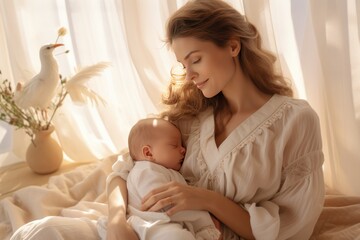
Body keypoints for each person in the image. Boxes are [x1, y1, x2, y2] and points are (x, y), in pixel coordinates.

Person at [10, 0, 325, 239]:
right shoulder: (192, 114)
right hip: (140, 226)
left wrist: (205, 199)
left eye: (196, 59)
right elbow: (125, 168)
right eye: (183, 63)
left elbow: (289, 227)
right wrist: (119, 220)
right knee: (40, 231)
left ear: (232, 45)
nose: (189, 75)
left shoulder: (294, 122)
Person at [97, 118, 220, 240]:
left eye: (182, 145)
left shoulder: (165, 171)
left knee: (179, 234)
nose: (183, 150)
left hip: (159, 225)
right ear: (148, 153)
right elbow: (165, 204)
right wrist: (204, 221)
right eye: (174, 145)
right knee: (178, 236)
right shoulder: (146, 170)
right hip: (145, 225)